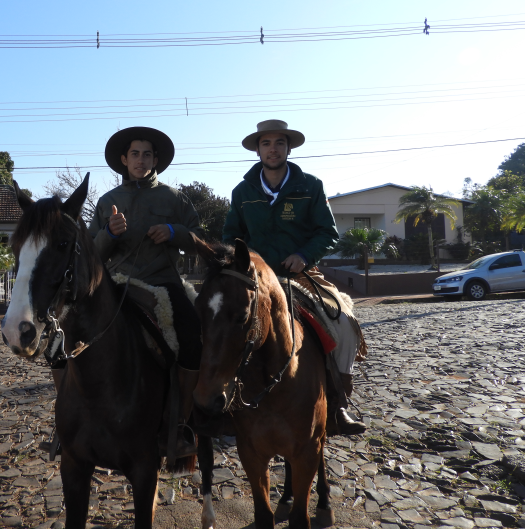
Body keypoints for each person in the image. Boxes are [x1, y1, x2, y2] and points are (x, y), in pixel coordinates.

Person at [223, 119, 367, 436]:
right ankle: (223, 399)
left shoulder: (311, 186)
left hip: (301, 274)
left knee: (344, 322)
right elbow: (232, 236)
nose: (272, 149)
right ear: (258, 149)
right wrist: (245, 262)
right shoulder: (242, 191)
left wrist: (303, 255)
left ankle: (338, 400)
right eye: (266, 143)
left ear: (288, 148)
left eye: (278, 143)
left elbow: (327, 233)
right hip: (256, 277)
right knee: (224, 322)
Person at [88, 126, 204, 456]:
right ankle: (67, 421)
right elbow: (92, 256)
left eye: (147, 154)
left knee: (194, 334)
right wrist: (108, 234)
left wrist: (173, 231)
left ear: (156, 160)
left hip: (164, 281)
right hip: (117, 284)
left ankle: (181, 422)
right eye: (135, 154)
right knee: (69, 334)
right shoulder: (107, 202)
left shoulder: (174, 197)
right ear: (124, 160)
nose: (141, 160)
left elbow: (198, 239)